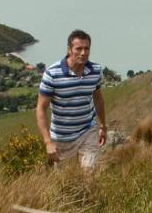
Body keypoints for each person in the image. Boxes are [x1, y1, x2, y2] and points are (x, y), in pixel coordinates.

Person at [36, 29, 109, 169]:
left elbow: (98, 99)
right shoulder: (52, 73)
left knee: (89, 174)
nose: (83, 53)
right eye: (79, 49)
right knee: (65, 184)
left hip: (88, 131)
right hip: (62, 138)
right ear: (69, 49)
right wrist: (48, 142)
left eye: (87, 48)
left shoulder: (96, 70)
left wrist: (102, 126)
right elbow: (40, 108)